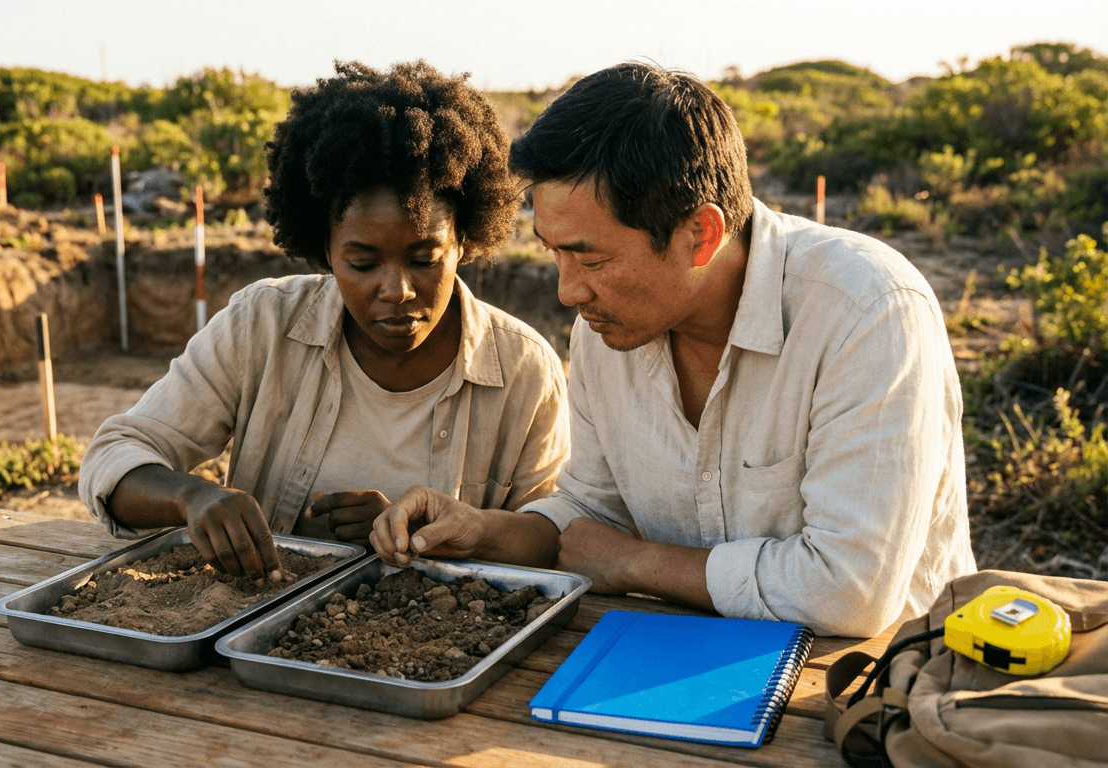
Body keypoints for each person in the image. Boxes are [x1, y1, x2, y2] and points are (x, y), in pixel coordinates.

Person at [372, 62, 977, 637]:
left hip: (867, 691)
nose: (566, 290)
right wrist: (481, 531)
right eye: (554, 252)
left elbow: (853, 590)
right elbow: (594, 518)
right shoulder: (604, 331)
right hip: (661, 662)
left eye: (591, 257)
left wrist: (639, 565)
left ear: (701, 234)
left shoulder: (866, 310)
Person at [78, 60, 569, 586]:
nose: (397, 290)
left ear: (464, 241)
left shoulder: (524, 370)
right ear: (323, 249)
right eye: (362, 264)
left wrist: (439, 536)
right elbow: (114, 459)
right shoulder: (260, 326)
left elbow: (549, 536)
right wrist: (192, 496)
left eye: (425, 259)